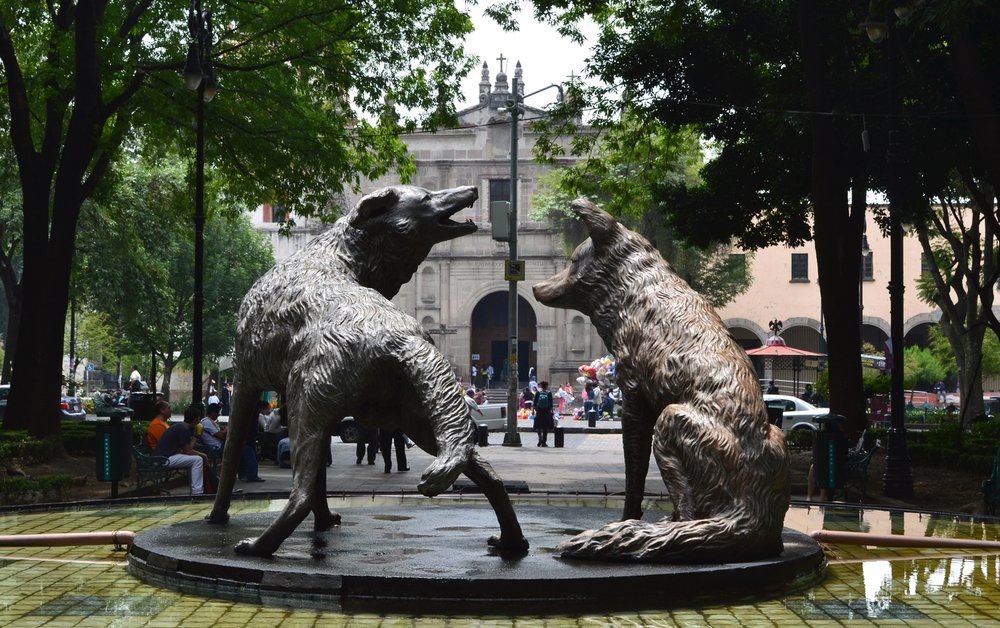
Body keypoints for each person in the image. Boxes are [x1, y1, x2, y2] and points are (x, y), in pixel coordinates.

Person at [154, 405, 212, 495]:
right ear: (196, 419)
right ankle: (197, 492)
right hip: (165, 459)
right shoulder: (183, 429)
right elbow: (188, 451)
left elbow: (188, 449)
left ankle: (196, 489)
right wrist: (203, 455)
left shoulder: (181, 426)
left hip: (169, 456)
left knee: (195, 459)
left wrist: (196, 436)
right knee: (197, 460)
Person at [533, 381, 555, 447]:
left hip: (539, 411)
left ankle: (540, 438)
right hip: (547, 412)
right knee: (545, 427)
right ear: (547, 386)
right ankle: (544, 442)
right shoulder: (549, 393)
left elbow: (534, 403)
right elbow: (551, 404)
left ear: (541, 386)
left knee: (538, 426)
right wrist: (551, 411)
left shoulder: (538, 393)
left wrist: (536, 410)